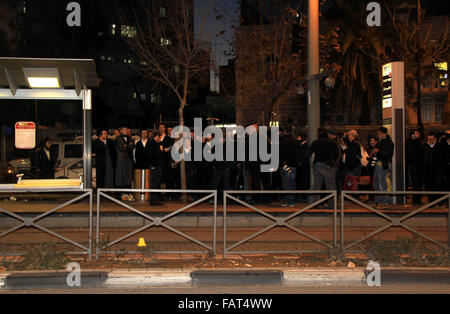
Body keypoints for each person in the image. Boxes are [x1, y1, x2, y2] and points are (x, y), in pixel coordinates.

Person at [311, 127, 339, 208]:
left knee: (317, 185)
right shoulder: (332, 143)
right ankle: (331, 204)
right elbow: (336, 154)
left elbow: (309, 152)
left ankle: (315, 203)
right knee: (330, 185)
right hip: (328, 165)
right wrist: (332, 162)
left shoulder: (315, 142)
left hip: (317, 164)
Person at [419, 133, 447, 204]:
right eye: (428, 139)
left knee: (438, 185)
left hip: (438, 170)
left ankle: (438, 201)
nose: (430, 140)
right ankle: (431, 201)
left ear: (435, 139)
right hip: (427, 170)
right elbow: (420, 157)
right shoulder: (423, 146)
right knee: (428, 186)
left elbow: (444, 157)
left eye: (431, 139)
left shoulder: (440, 146)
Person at [373, 127, 394, 209]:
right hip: (378, 164)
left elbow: (389, 155)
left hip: (383, 165)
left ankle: (384, 202)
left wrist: (378, 151)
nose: (378, 136)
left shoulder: (389, 143)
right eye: (378, 134)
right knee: (376, 184)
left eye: (380, 134)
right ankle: (378, 201)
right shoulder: (380, 142)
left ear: (384, 134)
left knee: (382, 183)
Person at [279, 125, 300, 207]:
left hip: (284, 164)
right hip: (292, 164)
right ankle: (292, 201)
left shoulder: (282, 141)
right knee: (291, 183)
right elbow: (296, 154)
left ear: (284, 131)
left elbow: (280, 153)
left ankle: (289, 201)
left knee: (286, 184)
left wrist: (282, 162)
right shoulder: (295, 141)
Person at [115, 126, 135, 192]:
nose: (126, 131)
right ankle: (120, 192)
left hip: (129, 159)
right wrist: (128, 145)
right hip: (121, 160)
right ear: (121, 131)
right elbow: (122, 148)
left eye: (126, 129)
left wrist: (126, 145)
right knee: (121, 176)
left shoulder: (130, 138)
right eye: (124, 129)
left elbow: (133, 146)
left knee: (128, 177)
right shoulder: (118, 138)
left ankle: (128, 191)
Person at [405, 129, 422, 204]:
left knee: (417, 182)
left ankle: (416, 199)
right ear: (412, 134)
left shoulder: (418, 142)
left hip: (417, 165)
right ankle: (413, 198)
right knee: (414, 181)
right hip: (411, 165)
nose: (418, 134)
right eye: (417, 133)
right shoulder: (408, 142)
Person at [148, 131, 164, 206]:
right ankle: (153, 201)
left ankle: (154, 200)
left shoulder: (153, 144)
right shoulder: (153, 144)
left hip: (155, 166)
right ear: (156, 136)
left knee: (155, 183)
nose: (160, 138)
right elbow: (153, 155)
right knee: (155, 183)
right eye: (159, 137)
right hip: (155, 166)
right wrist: (161, 150)